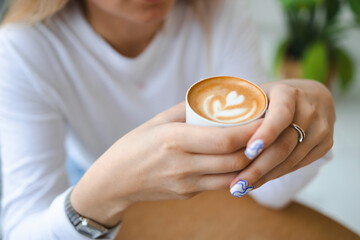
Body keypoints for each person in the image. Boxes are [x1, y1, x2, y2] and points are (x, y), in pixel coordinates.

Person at [0, 0, 335, 239]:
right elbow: (22, 229)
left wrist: (307, 117)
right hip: (88, 188)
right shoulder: (22, 48)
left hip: (211, 199)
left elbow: (271, 192)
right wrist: (106, 191)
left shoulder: (217, 11)